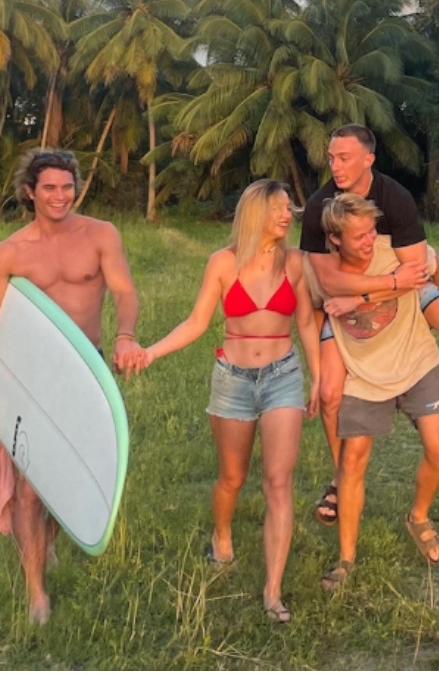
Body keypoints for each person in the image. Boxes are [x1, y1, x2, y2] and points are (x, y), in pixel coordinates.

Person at [0, 148, 142, 624]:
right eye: (50, 188)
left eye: (67, 186)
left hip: (87, 371)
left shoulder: (101, 235)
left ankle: (50, 543)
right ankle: (36, 591)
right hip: (32, 377)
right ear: (30, 192)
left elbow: (124, 290)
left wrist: (126, 333)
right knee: (29, 488)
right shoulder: (9, 254)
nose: (61, 196)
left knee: (72, 475)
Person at [130, 179, 320, 624]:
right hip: (232, 379)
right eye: (277, 207)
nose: (286, 214)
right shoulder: (222, 262)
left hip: (283, 377)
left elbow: (308, 323)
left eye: (288, 207)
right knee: (231, 479)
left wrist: (318, 376)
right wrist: (151, 351)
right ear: (254, 213)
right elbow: (196, 323)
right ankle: (222, 536)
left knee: (278, 481)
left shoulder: (296, 263)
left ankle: (273, 590)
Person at [299, 125, 439, 531]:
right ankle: (340, 478)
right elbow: (328, 283)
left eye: (344, 157)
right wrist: (375, 289)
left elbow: (416, 272)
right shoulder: (322, 204)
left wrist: (365, 295)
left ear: (368, 159)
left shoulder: (395, 198)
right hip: (352, 299)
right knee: (330, 392)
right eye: (331, 157)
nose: (335, 166)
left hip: (399, 291)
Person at [306, 194, 439, 590]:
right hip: (364, 374)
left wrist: (361, 298)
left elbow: (429, 273)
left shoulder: (394, 251)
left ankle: (418, 516)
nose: (370, 240)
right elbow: (312, 314)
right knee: (352, 463)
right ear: (335, 240)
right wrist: (320, 374)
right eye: (359, 236)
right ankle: (346, 561)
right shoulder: (322, 270)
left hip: (417, 361)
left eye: (372, 230)